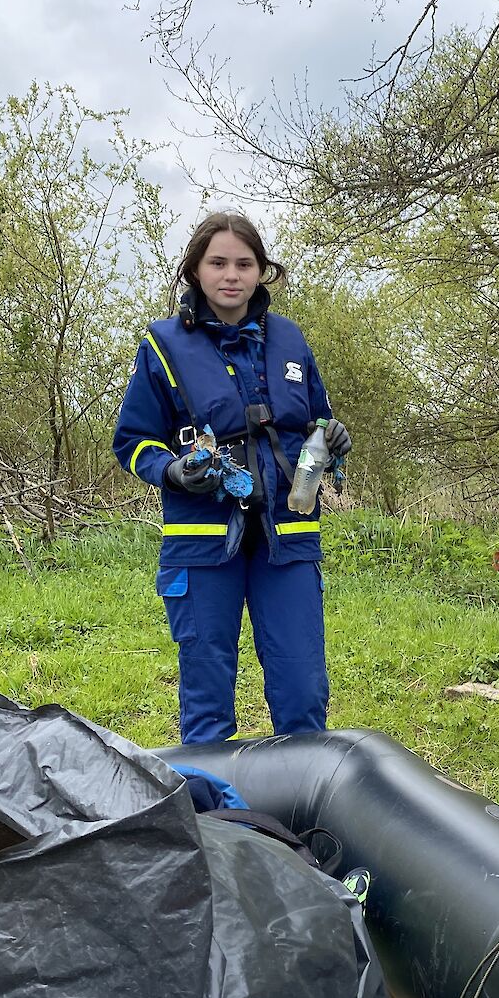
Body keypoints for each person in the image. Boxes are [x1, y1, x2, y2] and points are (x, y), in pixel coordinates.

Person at [113, 211, 351, 744]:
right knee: (207, 694)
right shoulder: (163, 346)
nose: (231, 275)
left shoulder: (291, 341)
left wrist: (333, 442)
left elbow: (319, 418)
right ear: (195, 269)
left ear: (262, 271)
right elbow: (132, 442)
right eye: (217, 262)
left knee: (303, 689)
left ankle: (303, 817)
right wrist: (172, 470)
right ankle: (213, 821)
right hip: (202, 544)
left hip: (287, 541)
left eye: (245, 264)